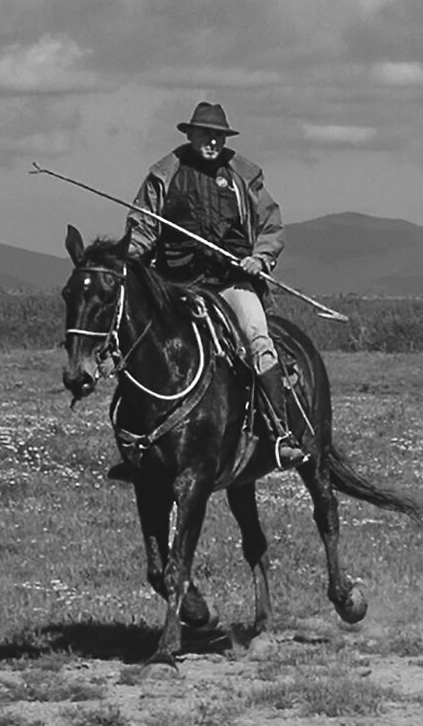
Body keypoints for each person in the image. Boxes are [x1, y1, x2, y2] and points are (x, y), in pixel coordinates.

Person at [126, 100, 297, 458]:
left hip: (232, 284)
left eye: (219, 135)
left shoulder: (243, 176)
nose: (213, 141)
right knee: (141, 346)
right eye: (206, 134)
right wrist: (129, 259)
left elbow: (271, 226)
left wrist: (259, 259)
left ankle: (280, 434)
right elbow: (143, 228)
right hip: (175, 286)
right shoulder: (163, 175)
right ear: (189, 134)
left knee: (258, 341)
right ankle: (133, 436)